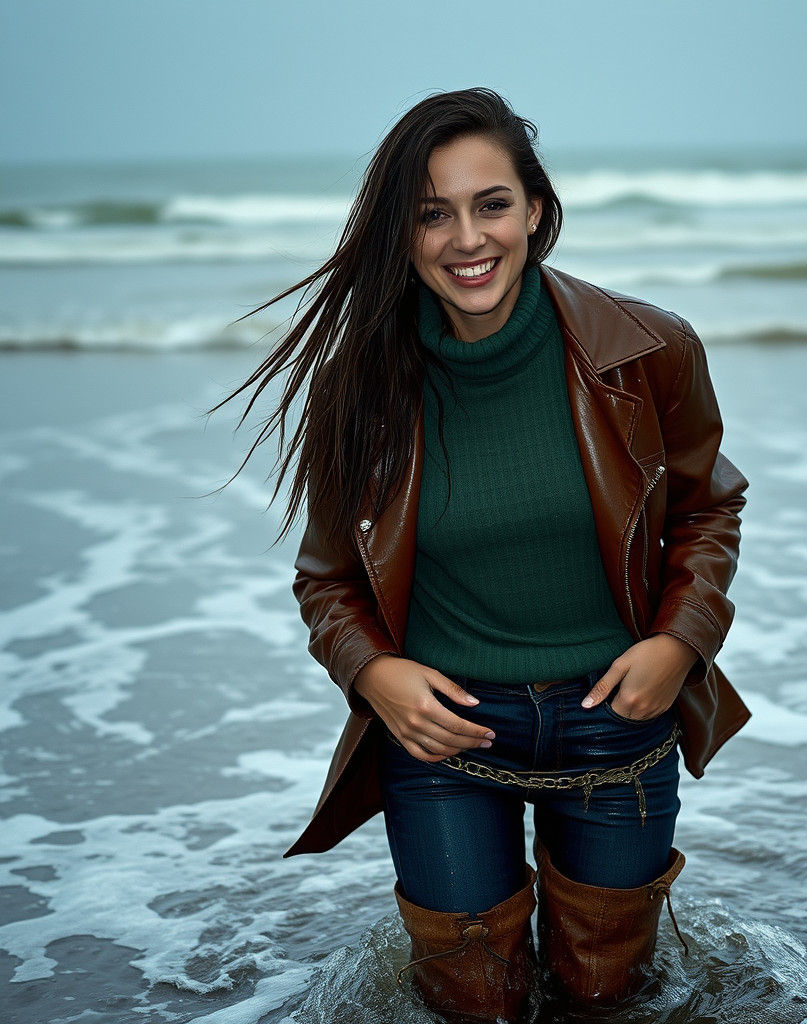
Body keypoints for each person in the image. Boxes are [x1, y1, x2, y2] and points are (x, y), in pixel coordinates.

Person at [207, 87, 751, 1023]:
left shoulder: (649, 349)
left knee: (605, 996)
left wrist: (679, 644)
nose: (467, 238)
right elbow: (327, 577)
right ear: (404, 235)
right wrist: (375, 675)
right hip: (444, 735)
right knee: (472, 1003)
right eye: (432, 214)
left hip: (615, 724)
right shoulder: (361, 387)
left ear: (535, 210)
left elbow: (709, 510)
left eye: (490, 203)